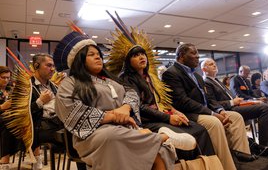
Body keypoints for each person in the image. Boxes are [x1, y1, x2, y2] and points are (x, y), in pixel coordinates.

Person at [53, 31, 196, 170]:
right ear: (79, 60)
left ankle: (152, 138)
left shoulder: (111, 80)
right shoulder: (70, 83)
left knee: (158, 153)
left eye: (98, 55)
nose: (98, 58)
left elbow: (132, 93)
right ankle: (162, 137)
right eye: (91, 55)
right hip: (93, 133)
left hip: (124, 128)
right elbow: (71, 110)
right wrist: (112, 116)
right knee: (112, 137)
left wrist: (125, 108)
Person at [117, 45, 215, 159]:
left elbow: (162, 100)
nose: (141, 57)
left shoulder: (150, 77)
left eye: (142, 54)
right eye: (135, 55)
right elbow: (139, 107)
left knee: (200, 130)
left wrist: (175, 111)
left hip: (161, 115)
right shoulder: (126, 79)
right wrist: (168, 118)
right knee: (187, 136)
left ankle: (208, 165)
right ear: (128, 61)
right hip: (147, 120)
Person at [162, 43, 239, 170]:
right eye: (193, 53)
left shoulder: (197, 75)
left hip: (206, 111)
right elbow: (183, 101)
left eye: (197, 53)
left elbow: (208, 98)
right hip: (188, 114)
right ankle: (228, 167)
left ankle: (241, 159)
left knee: (235, 117)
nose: (198, 56)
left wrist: (220, 110)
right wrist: (213, 114)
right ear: (181, 56)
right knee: (214, 122)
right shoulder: (171, 73)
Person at [201, 59, 268, 147]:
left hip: (238, 104)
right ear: (204, 70)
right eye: (211, 64)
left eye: (215, 64)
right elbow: (212, 103)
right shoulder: (206, 82)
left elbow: (235, 96)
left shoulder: (216, 81)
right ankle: (264, 146)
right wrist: (232, 102)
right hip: (229, 108)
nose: (215, 65)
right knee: (265, 108)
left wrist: (242, 100)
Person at [30, 53, 64, 170]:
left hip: (58, 123)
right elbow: (22, 113)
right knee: (74, 136)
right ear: (36, 66)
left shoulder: (54, 86)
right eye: (49, 65)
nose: (53, 69)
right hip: (39, 127)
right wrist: (40, 102)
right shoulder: (26, 86)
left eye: (53, 66)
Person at [230, 66, 268, 146]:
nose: (248, 75)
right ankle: (264, 144)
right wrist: (254, 99)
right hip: (242, 103)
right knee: (267, 108)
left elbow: (251, 93)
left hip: (251, 101)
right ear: (241, 71)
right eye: (247, 73)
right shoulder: (235, 79)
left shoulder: (247, 81)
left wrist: (259, 98)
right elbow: (238, 95)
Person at [0, 66, 19, 170]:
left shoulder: (10, 90)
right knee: (7, 123)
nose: (6, 80)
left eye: (8, 78)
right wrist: (2, 107)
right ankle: (4, 158)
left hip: (9, 117)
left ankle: (33, 154)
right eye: (3, 77)